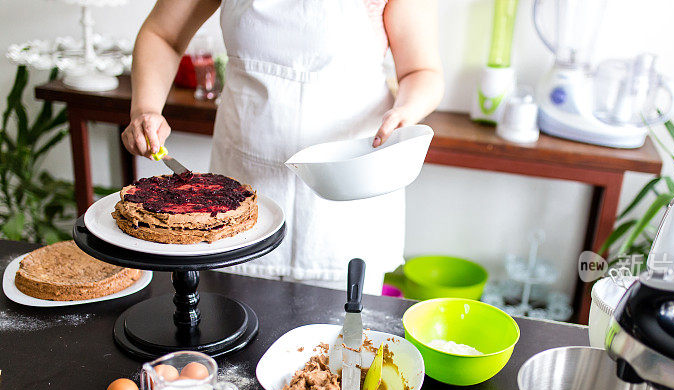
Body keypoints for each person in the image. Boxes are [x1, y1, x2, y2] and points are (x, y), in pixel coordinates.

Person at [122, 0, 443, 293]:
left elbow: (421, 71)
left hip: (346, 203)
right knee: (237, 334)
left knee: (338, 347)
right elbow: (163, 35)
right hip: (240, 199)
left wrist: (406, 110)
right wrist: (145, 108)